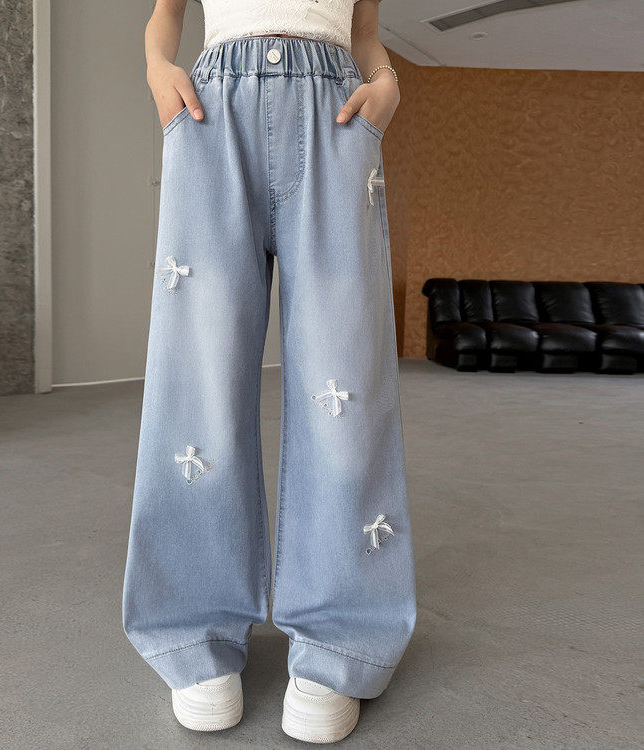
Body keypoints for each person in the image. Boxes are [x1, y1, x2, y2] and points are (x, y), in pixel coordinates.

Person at [122, 0, 416, 742]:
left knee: (346, 384)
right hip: (212, 113)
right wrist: (157, 68)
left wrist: (387, 82)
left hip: (337, 116)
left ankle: (341, 639)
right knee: (198, 382)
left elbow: (364, 31)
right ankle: (193, 631)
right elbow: (166, 13)